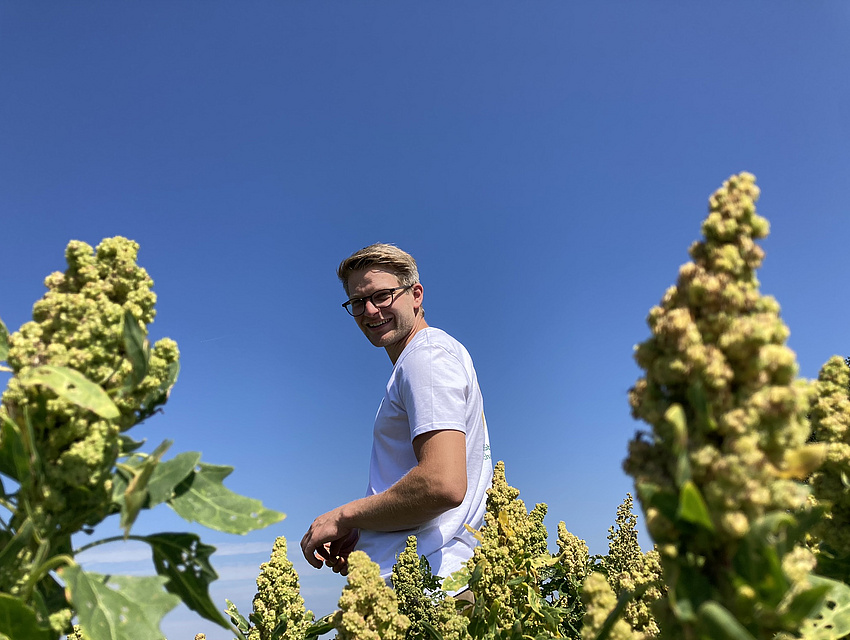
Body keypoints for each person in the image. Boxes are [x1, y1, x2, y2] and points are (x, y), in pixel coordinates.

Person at [300, 243, 493, 583]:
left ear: (415, 294)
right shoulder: (432, 356)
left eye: (382, 296)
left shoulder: (426, 357)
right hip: (425, 581)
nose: (370, 311)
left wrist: (343, 517)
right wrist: (365, 526)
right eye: (358, 302)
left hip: (426, 590)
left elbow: (441, 484)